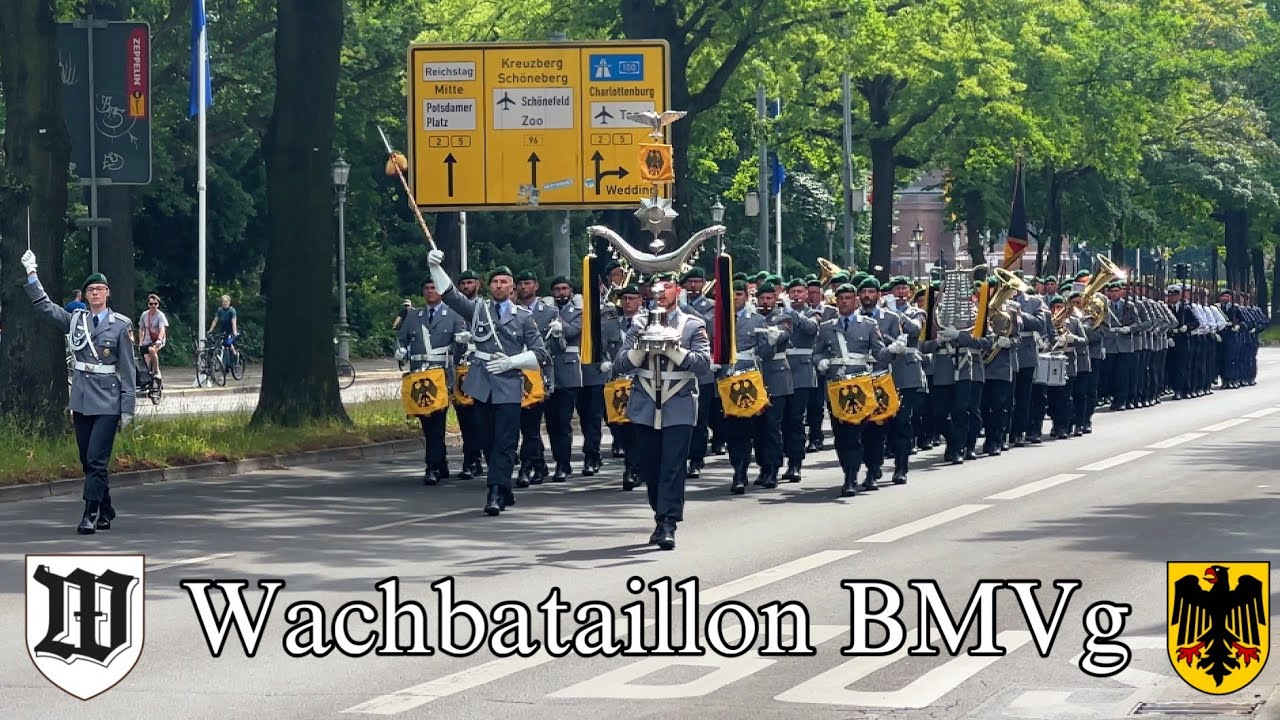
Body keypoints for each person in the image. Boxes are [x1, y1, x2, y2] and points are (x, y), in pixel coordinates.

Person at [20, 251, 136, 534]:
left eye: (100, 289)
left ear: (108, 293)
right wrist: (31, 273)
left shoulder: (121, 325)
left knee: (97, 459)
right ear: (84, 295)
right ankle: (106, 507)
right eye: (90, 290)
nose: (95, 293)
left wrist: (128, 406)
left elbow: (129, 369)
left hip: (108, 400)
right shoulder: (75, 320)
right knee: (87, 459)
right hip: (82, 398)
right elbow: (45, 308)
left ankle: (91, 513)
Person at [430, 252, 547, 515]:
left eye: (504, 282)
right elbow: (450, 296)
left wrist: (511, 363)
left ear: (512, 287)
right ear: (489, 286)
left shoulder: (524, 317)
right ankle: (504, 487)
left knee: (505, 441)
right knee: (485, 440)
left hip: (508, 385)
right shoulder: (478, 309)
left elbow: (540, 353)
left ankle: (494, 492)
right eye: (495, 282)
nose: (499, 286)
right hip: (481, 384)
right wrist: (434, 267)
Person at [614, 272, 711, 550]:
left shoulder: (692, 324)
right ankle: (660, 513)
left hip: (678, 403)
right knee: (650, 467)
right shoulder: (639, 323)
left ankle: (667, 522)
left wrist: (674, 350)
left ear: (677, 290)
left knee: (672, 466)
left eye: (667, 286)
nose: (662, 292)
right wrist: (641, 348)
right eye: (657, 287)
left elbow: (703, 365)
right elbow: (621, 362)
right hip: (644, 403)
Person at [396, 279, 468, 485]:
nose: (430, 292)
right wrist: (401, 350)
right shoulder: (413, 316)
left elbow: (458, 350)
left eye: (433, 288)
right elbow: (402, 338)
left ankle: (433, 465)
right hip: (419, 375)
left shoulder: (454, 315)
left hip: (441, 375)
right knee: (428, 423)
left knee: (436, 420)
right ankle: (441, 463)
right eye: (426, 288)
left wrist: (462, 342)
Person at [137, 294, 169, 379]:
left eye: (155, 304)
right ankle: (145, 379)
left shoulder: (160, 315)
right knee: (145, 360)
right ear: (148, 305)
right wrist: (141, 342)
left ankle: (157, 371)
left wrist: (159, 340)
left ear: (158, 304)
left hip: (158, 339)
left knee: (151, 350)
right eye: (151, 304)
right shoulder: (144, 315)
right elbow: (141, 328)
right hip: (147, 340)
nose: (153, 306)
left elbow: (162, 328)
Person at [209, 294, 240, 368]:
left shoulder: (232, 310)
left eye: (226, 301)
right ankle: (221, 361)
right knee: (219, 344)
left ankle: (236, 355)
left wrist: (234, 331)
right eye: (223, 301)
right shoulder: (220, 310)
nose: (225, 303)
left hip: (230, 330)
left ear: (229, 302)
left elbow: (233, 321)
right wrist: (210, 330)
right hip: (222, 330)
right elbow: (215, 320)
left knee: (228, 343)